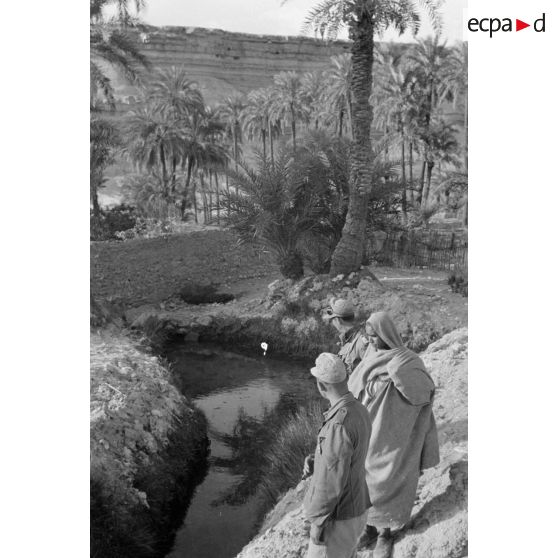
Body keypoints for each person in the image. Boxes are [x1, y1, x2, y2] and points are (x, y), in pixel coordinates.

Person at [347, 312, 440, 558]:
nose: (371, 342)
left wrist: (397, 375)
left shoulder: (407, 361)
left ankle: (384, 533)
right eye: (368, 337)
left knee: (386, 480)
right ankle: (367, 528)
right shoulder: (370, 356)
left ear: (386, 334)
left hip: (394, 433)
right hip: (368, 429)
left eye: (374, 337)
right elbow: (356, 387)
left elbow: (424, 393)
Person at [303, 352, 372, 558]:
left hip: (338, 519)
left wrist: (317, 523)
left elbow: (330, 484)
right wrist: (319, 460)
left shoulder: (337, 425)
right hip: (356, 507)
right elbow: (348, 457)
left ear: (321, 385)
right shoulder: (359, 409)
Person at [324, 298, 369, 373]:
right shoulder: (347, 339)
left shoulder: (362, 342)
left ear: (338, 320)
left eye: (332, 320)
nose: (332, 323)